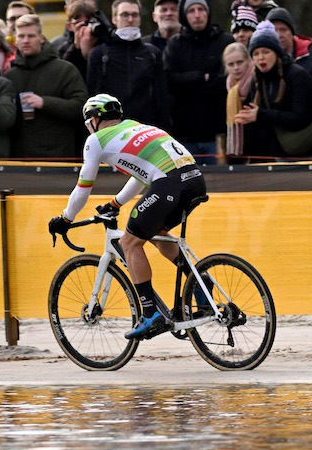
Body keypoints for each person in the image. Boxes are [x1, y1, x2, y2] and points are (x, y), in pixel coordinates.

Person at [48, 93, 208, 341]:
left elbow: (83, 188)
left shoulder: (96, 140)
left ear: (94, 119)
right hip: (195, 180)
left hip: (170, 184)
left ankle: (150, 313)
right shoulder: (136, 127)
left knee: (129, 242)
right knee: (157, 234)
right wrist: (115, 203)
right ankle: (200, 284)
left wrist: (66, 218)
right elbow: (141, 174)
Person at [4, 12, 89, 159]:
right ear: (15, 40)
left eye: (30, 36)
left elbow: (81, 107)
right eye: (21, 36)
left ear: (41, 38)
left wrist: (44, 102)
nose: (25, 40)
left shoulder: (64, 70)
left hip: (57, 157)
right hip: (20, 159)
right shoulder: (10, 75)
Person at [88, 0, 174, 131]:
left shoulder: (152, 54)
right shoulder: (99, 54)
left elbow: (161, 99)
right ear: (114, 18)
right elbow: (93, 97)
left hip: (146, 133)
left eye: (135, 15)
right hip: (111, 132)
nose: (130, 19)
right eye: (125, 15)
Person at [236, 26, 312, 157]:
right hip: (269, 155)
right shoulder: (257, 79)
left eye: (266, 52)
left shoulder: (297, 75)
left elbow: (301, 118)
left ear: (276, 53)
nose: (260, 58)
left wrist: (261, 115)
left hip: (299, 151)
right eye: (256, 54)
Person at [164, 0, 227, 159]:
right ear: (185, 15)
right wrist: (202, 77)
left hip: (218, 133)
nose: (197, 15)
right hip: (184, 134)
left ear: (208, 12)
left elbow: (225, 83)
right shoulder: (175, 44)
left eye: (201, 9)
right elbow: (170, 82)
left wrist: (188, 86)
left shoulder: (225, 42)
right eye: (191, 10)